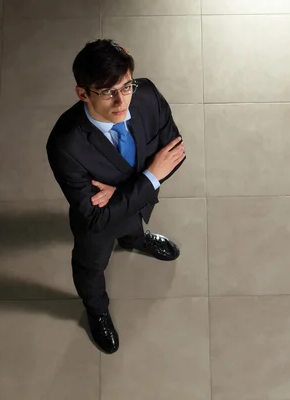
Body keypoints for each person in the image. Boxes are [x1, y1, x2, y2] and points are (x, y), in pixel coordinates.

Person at [46, 39, 186, 354]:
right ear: (83, 93)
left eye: (125, 86)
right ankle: (96, 312)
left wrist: (130, 188)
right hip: (96, 223)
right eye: (107, 92)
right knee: (90, 266)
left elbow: (175, 154)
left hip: (127, 204)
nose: (121, 101)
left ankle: (135, 240)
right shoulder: (65, 145)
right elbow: (96, 216)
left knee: (132, 222)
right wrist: (150, 176)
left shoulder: (147, 95)